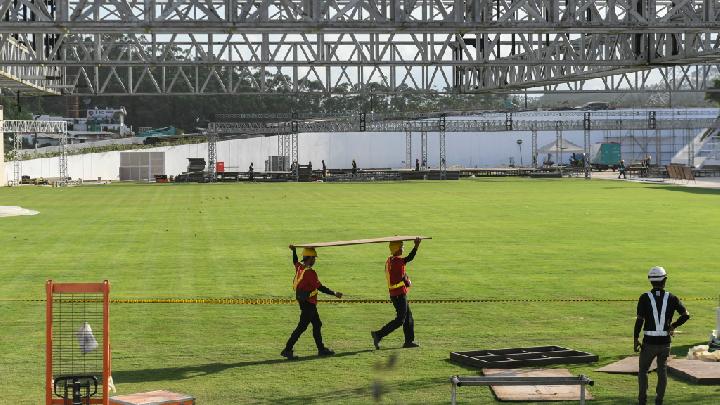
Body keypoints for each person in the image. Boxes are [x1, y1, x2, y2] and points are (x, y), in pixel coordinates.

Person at [634, 266, 690, 405]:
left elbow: (639, 320)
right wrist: (673, 326)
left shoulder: (644, 297)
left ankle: (642, 400)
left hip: (649, 342)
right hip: (665, 342)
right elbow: (686, 315)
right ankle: (659, 400)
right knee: (662, 370)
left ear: (650, 281)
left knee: (643, 371)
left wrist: (635, 339)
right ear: (664, 280)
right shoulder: (671, 297)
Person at [282, 246, 343, 360]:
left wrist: (294, 251)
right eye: (314, 258)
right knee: (301, 327)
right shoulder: (310, 272)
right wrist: (334, 293)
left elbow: (295, 261)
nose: (315, 260)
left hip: (305, 302)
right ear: (309, 258)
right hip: (309, 304)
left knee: (317, 324)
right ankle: (287, 349)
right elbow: (320, 287)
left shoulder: (300, 267)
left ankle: (321, 349)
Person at [371, 238, 421, 349]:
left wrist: (405, 279)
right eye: (402, 246)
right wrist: (416, 246)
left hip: (396, 294)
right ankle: (378, 334)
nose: (403, 248)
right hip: (399, 294)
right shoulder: (398, 261)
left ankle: (409, 341)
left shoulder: (390, 260)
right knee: (400, 320)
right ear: (397, 249)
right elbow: (409, 258)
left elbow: (401, 274)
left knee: (408, 317)